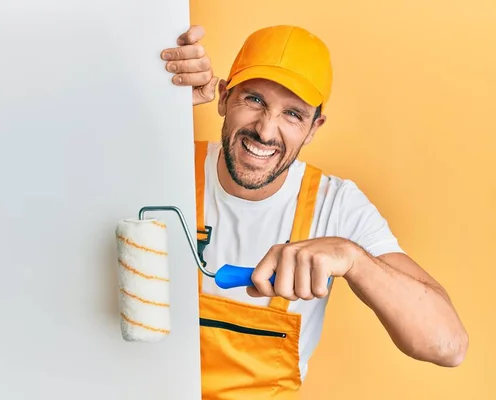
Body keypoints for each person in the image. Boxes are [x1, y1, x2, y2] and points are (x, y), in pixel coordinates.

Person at [160, 25, 468, 398]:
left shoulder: (335, 205)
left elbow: (448, 346)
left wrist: (353, 258)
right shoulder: (165, 164)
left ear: (313, 129)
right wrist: (154, 104)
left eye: (292, 114)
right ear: (224, 97)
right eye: (254, 100)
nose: (266, 130)